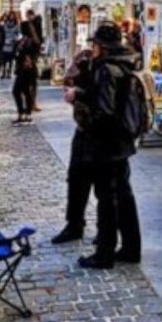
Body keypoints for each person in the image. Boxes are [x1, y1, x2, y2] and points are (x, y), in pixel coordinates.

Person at [74, 22, 142, 269]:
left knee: (107, 198)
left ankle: (104, 253)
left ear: (101, 46)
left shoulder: (106, 69)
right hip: (123, 139)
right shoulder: (125, 64)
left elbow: (104, 110)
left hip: (108, 142)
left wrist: (83, 112)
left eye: (95, 44)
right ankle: (131, 248)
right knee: (123, 195)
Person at [52, 48, 94, 244]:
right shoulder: (86, 58)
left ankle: (106, 230)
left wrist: (78, 94)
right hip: (84, 127)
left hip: (99, 130)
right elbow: (69, 80)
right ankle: (75, 223)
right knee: (77, 178)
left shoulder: (106, 67)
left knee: (105, 186)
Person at [11, 21, 40, 125]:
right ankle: (24, 114)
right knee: (24, 92)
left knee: (18, 91)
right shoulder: (24, 40)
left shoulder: (31, 41)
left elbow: (30, 55)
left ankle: (25, 114)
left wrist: (27, 58)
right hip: (22, 70)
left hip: (27, 70)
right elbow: (15, 53)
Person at [1, 11, 19, 79]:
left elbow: (18, 34)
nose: (11, 17)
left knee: (11, 60)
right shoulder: (5, 24)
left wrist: (14, 39)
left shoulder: (16, 25)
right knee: (4, 60)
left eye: (12, 15)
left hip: (12, 44)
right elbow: (2, 32)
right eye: (10, 15)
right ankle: (3, 72)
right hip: (5, 44)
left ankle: (9, 73)